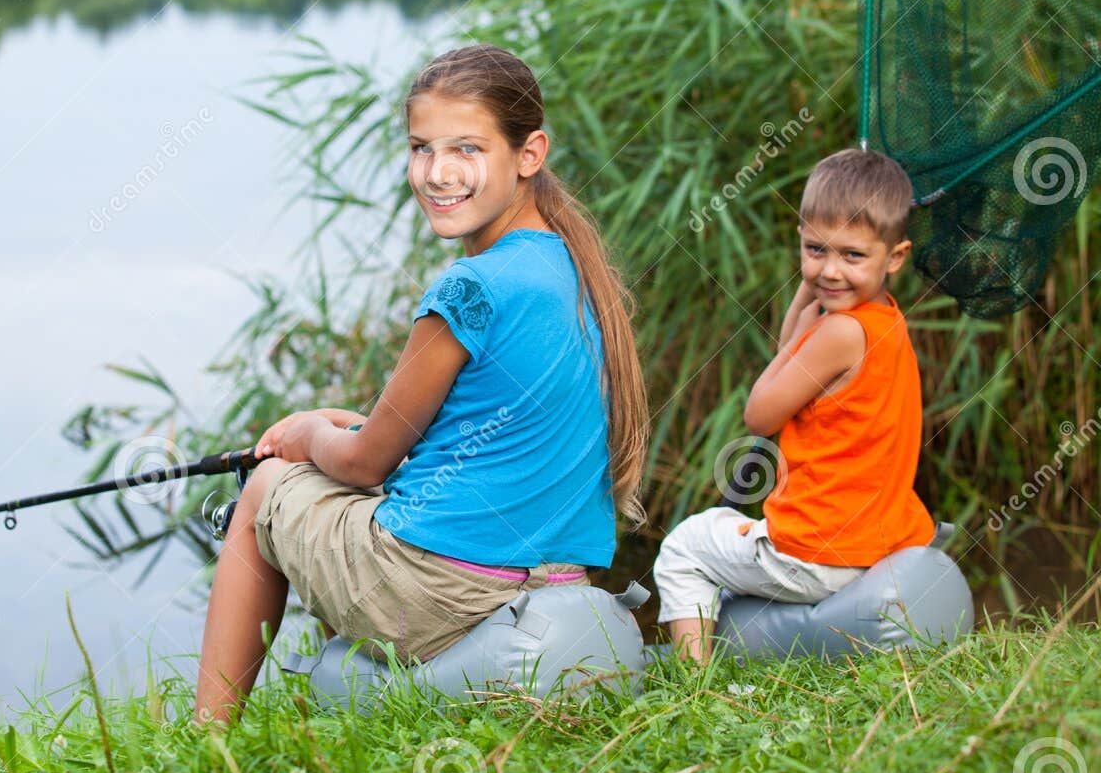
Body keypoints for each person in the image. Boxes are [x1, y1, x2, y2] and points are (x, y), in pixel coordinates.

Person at [193, 44, 648, 725]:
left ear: (530, 154)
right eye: (420, 147)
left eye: (468, 148)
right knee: (351, 480)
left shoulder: (468, 287)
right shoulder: (570, 265)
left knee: (262, 491)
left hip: (442, 590)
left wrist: (305, 432)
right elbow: (458, 436)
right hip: (555, 576)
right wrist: (343, 423)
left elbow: (365, 461)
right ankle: (343, 682)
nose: (438, 173)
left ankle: (207, 733)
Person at [654, 147, 936, 662]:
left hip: (822, 551)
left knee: (683, 547)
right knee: (724, 538)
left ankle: (691, 682)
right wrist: (809, 307)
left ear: (895, 257)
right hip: (879, 539)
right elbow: (792, 358)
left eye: (852, 256)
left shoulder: (840, 333)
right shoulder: (883, 320)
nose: (830, 271)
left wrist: (809, 322)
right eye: (815, 250)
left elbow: (760, 416)